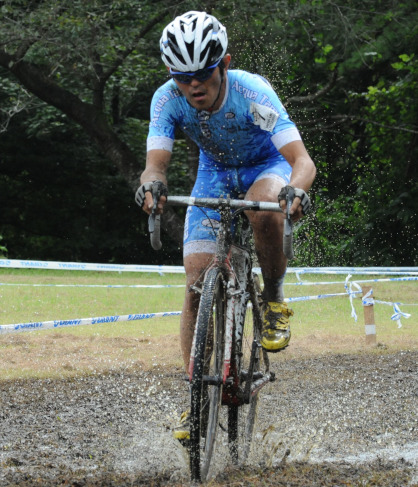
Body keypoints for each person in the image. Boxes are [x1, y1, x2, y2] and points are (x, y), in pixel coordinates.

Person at [135, 11, 316, 442]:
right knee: (197, 279)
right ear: (170, 75)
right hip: (214, 174)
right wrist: (150, 189)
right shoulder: (166, 100)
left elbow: (301, 162)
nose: (194, 85)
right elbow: (154, 168)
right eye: (182, 77)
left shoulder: (253, 93)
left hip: (266, 167)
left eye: (203, 74)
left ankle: (272, 297)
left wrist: (295, 191)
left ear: (225, 64)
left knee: (264, 208)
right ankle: (196, 397)